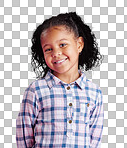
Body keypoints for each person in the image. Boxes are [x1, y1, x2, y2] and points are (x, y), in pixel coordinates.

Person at [16, 12, 104, 148]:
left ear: (79, 44)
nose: (56, 53)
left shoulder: (94, 92)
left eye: (62, 45)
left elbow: (94, 138)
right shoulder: (36, 90)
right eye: (49, 49)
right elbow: (24, 137)